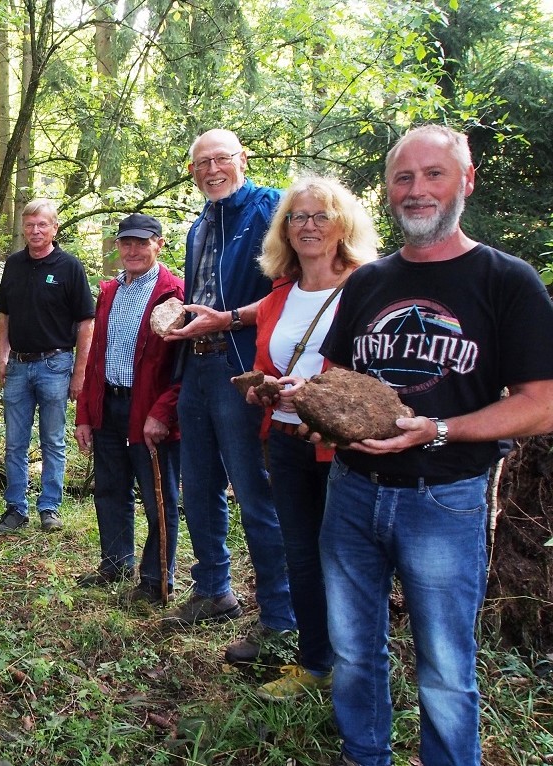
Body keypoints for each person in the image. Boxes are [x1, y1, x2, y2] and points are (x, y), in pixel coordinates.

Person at [314, 125, 553, 766]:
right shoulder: (367, 283)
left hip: (442, 500)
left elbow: (542, 403)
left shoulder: (508, 282)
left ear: (465, 181)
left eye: (433, 174)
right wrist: (303, 404)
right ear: (388, 190)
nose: (417, 190)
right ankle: (364, 755)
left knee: (445, 666)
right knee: (353, 649)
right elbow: (337, 380)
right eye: (403, 177)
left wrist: (440, 429)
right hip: (352, 493)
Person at [238, 177, 377, 699]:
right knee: (300, 551)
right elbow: (263, 365)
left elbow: (375, 369)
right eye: (298, 217)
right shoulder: (278, 296)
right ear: (285, 229)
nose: (310, 225)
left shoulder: (368, 285)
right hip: (289, 441)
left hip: (344, 446)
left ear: (342, 223)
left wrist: (319, 392)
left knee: (346, 556)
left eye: (322, 215)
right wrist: (262, 391)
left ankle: (359, 669)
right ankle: (315, 662)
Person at [162, 129, 296, 660]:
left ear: (243, 159)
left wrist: (231, 319)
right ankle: (213, 589)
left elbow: (290, 289)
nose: (211, 169)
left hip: (241, 367)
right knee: (197, 485)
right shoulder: (199, 225)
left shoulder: (269, 209)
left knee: (255, 490)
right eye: (201, 163)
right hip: (196, 366)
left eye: (221, 159)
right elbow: (202, 296)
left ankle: (281, 619)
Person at [73, 214, 183, 605]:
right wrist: (85, 414)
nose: (133, 250)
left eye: (142, 242)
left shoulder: (176, 295)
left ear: (159, 244)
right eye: (126, 243)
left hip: (149, 412)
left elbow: (183, 368)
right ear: (117, 247)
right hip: (109, 405)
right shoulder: (110, 292)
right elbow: (95, 357)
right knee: (110, 488)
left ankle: (156, 581)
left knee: (158, 497)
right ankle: (115, 562)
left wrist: (163, 413)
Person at [0, 199, 95, 534]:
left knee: (53, 440)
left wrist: (79, 372)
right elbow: (3, 315)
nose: (36, 231)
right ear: (24, 227)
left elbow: (85, 322)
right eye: (30, 224)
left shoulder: (69, 267)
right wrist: (2, 356)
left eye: (43, 225)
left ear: (54, 227)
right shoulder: (14, 265)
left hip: (56, 364)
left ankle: (49, 507)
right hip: (19, 366)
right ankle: (15, 508)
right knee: (15, 442)